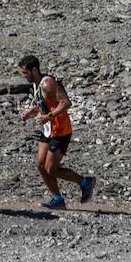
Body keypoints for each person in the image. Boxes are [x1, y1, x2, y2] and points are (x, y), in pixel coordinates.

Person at [18, 54, 95, 209]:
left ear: (34, 69)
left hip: (61, 130)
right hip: (47, 130)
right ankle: (57, 199)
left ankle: (85, 182)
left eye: (25, 72)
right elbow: (43, 103)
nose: (23, 76)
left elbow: (66, 103)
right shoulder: (36, 84)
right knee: (40, 165)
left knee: (51, 168)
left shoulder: (48, 83)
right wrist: (30, 113)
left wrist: (48, 116)